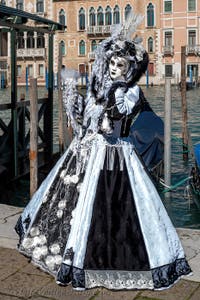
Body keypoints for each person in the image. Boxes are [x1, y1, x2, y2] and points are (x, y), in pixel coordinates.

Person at [15, 14, 191, 291]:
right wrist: (71, 94)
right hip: (87, 152)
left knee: (116, 207)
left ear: (128, 68)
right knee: (78, 207)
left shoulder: (130, 91)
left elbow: (118, 114)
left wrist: (116, 93)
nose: (113, 68)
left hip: (115, 155)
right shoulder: (98, 91)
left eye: (119, 64)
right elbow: (84, 123)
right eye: (111, 62)